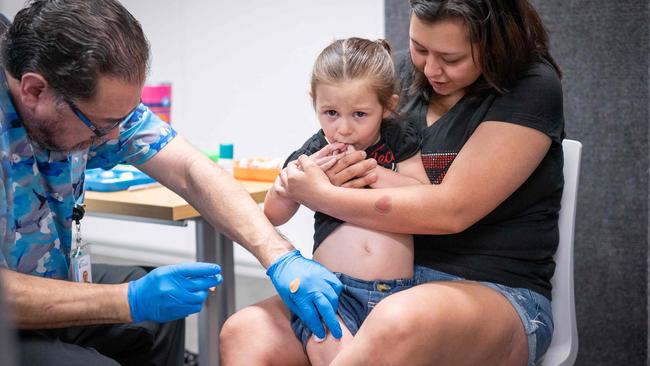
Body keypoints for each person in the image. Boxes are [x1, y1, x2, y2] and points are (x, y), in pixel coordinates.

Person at [220, 0, 564, 365]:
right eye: (419, 48)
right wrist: (298, 188)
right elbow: (316, 156)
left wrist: (324, 194)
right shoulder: (394, 73)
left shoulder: (531, 85)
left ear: (494, 43)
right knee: (245, 331)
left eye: (451, 58)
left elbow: (451, 211)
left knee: (395, 320)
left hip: (490, 287)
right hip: (364, 285)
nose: (430, 68)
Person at [0, 1, 344, 365]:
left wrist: (280, 257)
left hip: (45, 274)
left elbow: (191, 170)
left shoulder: (84, 104)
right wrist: (127, 301)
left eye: (124, 119)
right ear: (35, 91)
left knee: (156, 318)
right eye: (102, 125)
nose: (115, 135)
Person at [264, 37, 430, 365]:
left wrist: (368, 171)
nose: (343, 128)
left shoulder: (399, 139)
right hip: (332, 291)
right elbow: (274, 214)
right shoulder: (313, 152)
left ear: (388, 106)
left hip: (398, 293)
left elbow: (422, 192)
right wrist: (285, 188)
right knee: (329, 349)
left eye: (359, 114)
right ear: (315, 103)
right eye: (330, 113)